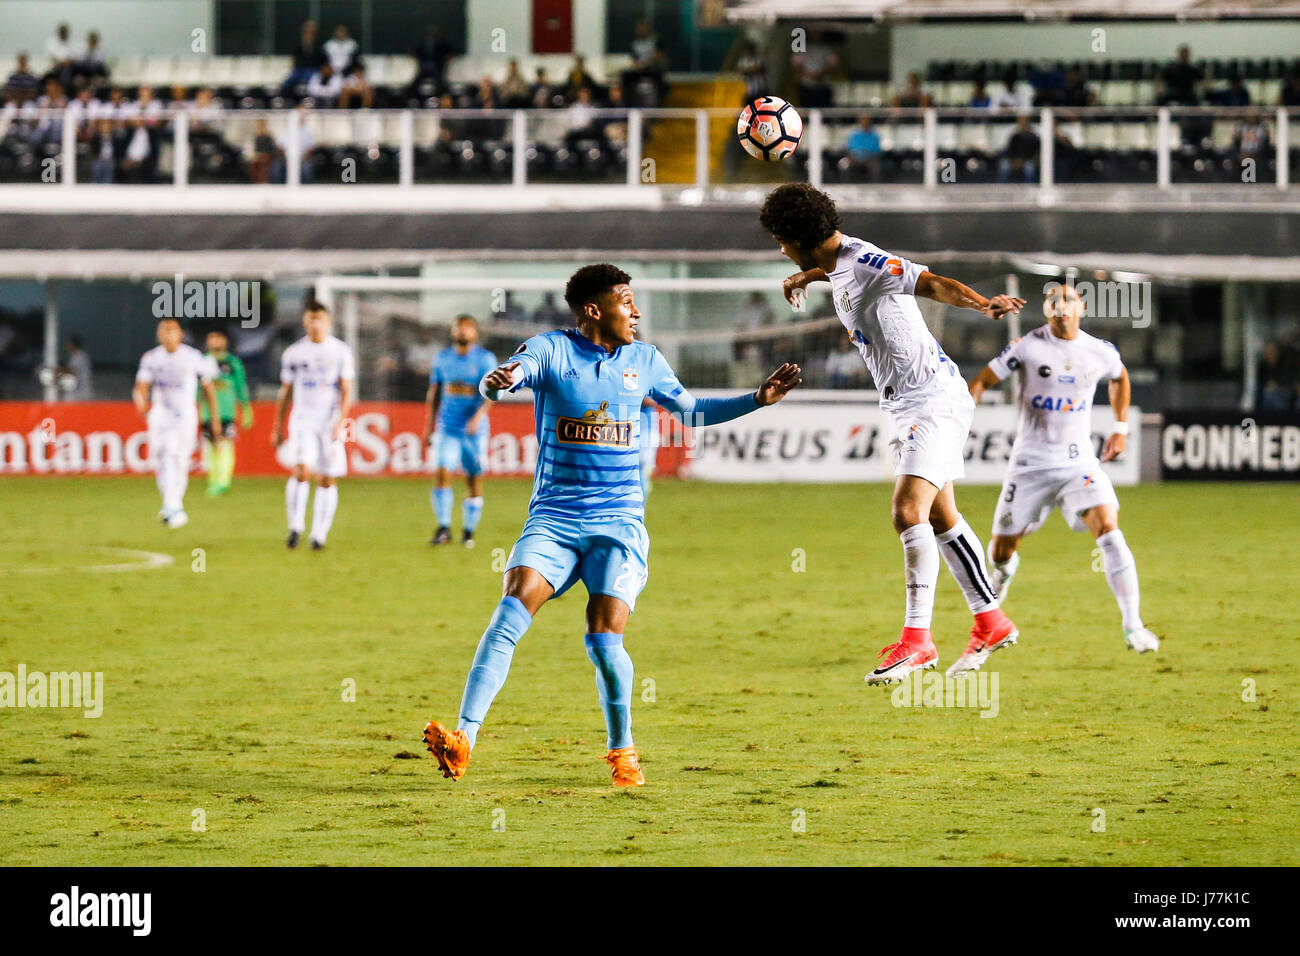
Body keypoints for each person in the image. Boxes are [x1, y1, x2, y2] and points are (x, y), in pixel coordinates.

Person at [422, 264, 802, 787]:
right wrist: (496, 383)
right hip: (553, 519)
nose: (637, 311)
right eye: (627, 300)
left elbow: (690, 412)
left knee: (603, 637)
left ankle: (622, 750)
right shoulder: (551, 349)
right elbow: (513, 373)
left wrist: (755, 400)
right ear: (594, 311)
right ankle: (464, 738)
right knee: (510, 607)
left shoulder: (645, 360)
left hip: (618, 523)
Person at [760, 183, 1024, 684]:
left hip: (933, 398)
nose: (779, 248)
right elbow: (836, 267)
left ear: (796, 236)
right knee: (943, 517)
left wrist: (981, 304)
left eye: (780, 240)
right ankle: (990, 619)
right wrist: (804, 276)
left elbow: (930, 282)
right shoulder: (836, 259)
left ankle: (916, 640)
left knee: (907, 511)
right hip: (907, 403)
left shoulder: (865, 260)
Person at [961, 282, 1160, 667]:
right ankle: (1005, 570)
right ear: (1047, 310)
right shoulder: (1026, 346)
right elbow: (984, 379)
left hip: (1078, 463)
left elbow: (1120, 378)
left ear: (1081, 307)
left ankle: (1133, 623)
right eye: (1053, 301)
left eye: (1068, 300)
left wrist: (1120, 429)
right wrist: (966, 413)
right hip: (1029, 465)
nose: (1061, 307)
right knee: (1001, 551)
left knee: (1109, 528)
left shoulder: (1099, 352)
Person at [272, 302, 355, 550]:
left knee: (328, 478)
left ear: (328, 321)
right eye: (310, 318)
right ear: (304, 321)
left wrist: (341, 422)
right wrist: (277, 426)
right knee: (301, 470)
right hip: (302, 420)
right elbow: (285, 392)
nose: (315, 323)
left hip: (329, 420)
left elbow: (347, 390)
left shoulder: (341, 351)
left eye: (319, 318)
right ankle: (295, 526)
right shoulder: (294, 353)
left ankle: (319, 534)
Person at [133, 319, 221, 529]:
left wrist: (214, 418)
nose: (168, 335)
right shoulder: (152, 358)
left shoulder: (192, 357)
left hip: (184, 414)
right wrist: (143, 403)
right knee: (161, 456)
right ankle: (170, 504)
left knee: (177, 456)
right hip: (160, 413)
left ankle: (174, 505)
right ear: (158, 335)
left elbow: (208, 387)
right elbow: (142, 385)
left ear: (180, 334)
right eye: (164, 330)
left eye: (172, 330)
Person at [421, 316, 498, 547]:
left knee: (473, 478)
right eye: (459, 328)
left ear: (474, 333)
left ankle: (468, 530)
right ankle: (444, 527)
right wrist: (429, 426)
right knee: (443, 472)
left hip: (474, 430)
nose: (462, 332)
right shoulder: (443, 359)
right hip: (448, 428)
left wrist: (477, 417)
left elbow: (492, 393)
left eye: (467, 329)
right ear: (453, 332)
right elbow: (435, 392)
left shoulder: (485, 359)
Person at [199, 329, 253, 496]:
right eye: (211, 337)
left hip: (227, 411)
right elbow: (196, 388)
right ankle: (213, 480)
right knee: (211, 446)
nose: (215, 341)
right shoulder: (202, 361)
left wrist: (246, 408)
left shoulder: (232, 362)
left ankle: (223, 482)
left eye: (218, 337)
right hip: (207, 412)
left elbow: (241, 386)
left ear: (225, 341)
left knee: (225, 444)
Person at [846, 115, 882, 181]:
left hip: (869, 159)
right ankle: (847, 185)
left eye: (867, 121)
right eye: (863, 120)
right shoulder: (854, 134)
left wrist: (867, 156)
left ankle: (874, 186)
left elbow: (877, 150)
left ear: (870, 122)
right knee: (844, 165)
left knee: (875, 166)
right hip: (855, 158)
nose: (865, 123)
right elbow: (849, 148)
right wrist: (853, 156)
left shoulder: (874, 135)